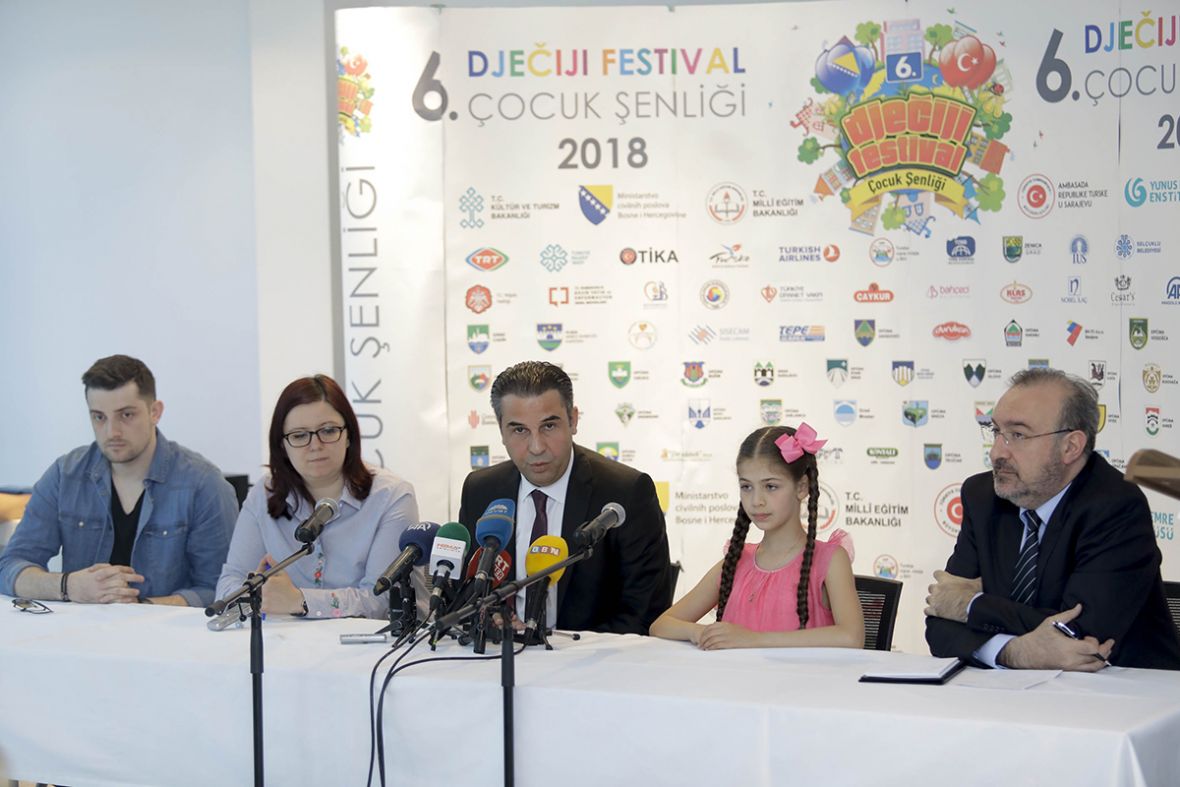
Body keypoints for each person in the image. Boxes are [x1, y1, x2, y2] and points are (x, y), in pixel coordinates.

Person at [925, 368, 1180, 670]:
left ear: (1070, 447)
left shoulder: (1115, 506)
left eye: (1018, 435)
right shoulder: (982, 496)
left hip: (1128, 688)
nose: (996, 453)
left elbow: (1081, 636)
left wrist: (971, 605)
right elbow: (940, 626)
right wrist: (1013, 652)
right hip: (1011, 688)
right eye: (996, 432)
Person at [0, 355, 237, 606]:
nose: (112, 432)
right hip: (79, 628)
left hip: (163, 629)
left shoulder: (204, 485)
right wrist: (69, 586)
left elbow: (224, 590)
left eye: (126, 415)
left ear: (155, 412)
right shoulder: (64, 476)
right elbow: (9, 567)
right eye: (99, 417)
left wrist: (141, 609)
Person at [458, 360, 672, 634]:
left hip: (593, 657)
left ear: (573, 420)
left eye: (548, 426)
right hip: (502, 654)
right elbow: (465, 591)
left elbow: (645, 613)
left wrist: (564, 648)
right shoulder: (481, 490)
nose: (536, 447)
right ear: (501, 430)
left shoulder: (627, 492)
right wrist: (489, 619)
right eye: (519, 430)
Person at [216, 375, 418, 619]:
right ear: (282, 446)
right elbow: (229, 583)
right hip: (284, 638)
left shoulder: (392, 496)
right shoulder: (264, 494)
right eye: (299, 435)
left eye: (328, 431)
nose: (315, 445)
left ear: (349, 436)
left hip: (366, 640)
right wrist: (257, 595)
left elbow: (382, 600)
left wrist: (300, 600)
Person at [650, 424, 863, 649]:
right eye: (746, 487)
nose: (756, 501)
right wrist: (703, 632)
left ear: (801, 487)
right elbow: (661, 625)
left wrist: (754, 639)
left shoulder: (830, 560)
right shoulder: (736, 561)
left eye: (770, 486)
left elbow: (852, 637)